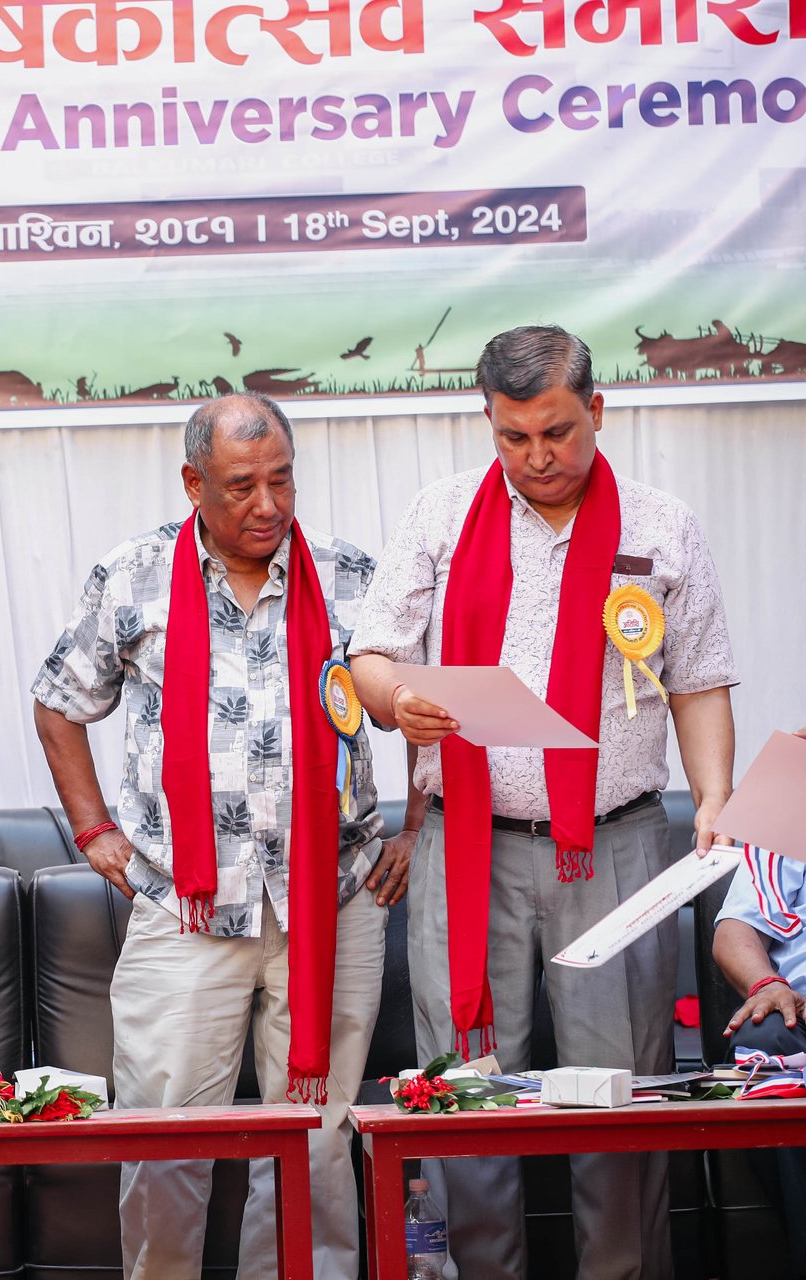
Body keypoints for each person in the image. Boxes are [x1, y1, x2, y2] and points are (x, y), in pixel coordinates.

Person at [349, 324, 737, 1280]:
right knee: (465, 1091)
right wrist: (400, 699)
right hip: (466, 847)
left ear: (597, 410)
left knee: (620, 1095)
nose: (538, 457)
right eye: (513, 437)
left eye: (557, 432)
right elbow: (371, 655)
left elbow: (699, 682)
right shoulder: (441, 514)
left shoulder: (662, 525)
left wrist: (715, 799)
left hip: (615, 848)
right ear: (488, 421)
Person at [32, 392, 404, 1280]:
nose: (268, 505)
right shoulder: (133, 575)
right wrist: (93, 828)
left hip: (333, 900)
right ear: (193, 483)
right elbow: (58, 701)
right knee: (167, 1145)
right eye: (242, 486)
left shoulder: (352, 575)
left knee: (318, 1144)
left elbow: (418, 699)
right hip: (188, 909)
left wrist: (416, 821)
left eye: (282, 480)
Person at [714, 763, 806, 1276]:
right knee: (766, 1036)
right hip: (801, 1014)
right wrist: (768, 985)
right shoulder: (795, 788)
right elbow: (736, 929)